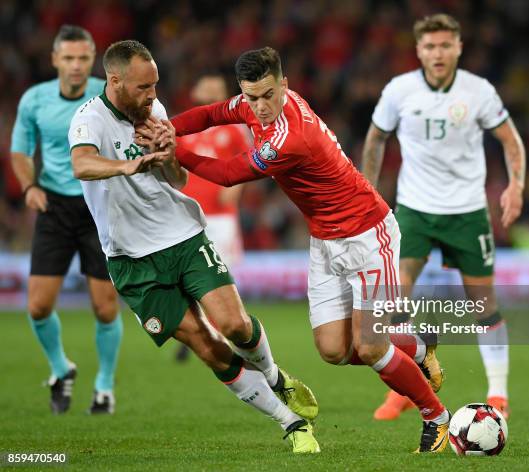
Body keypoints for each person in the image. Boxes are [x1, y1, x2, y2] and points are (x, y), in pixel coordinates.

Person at [140, 46, 452, 454]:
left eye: (268, 95)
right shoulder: (252, 103)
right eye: (251, 97)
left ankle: (437, 418)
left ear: (284, 85)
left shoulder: (292, 136)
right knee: (334, 350)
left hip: (367, 234)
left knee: (372, 346)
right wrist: (169, 128)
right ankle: (417, 345)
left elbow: (230, 174)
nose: (260, 106)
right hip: (325, 240)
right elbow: (212, 114)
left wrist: (172, 148)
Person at [68, 40, 320, 454]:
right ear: (115, 81)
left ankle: (275, 376)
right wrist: (129, 165)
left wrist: (166, 155)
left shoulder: (155, 112)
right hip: (132, 260)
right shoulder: (88, 120)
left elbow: (178, 181)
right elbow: (82, 164)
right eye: (143, 88)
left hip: (182, 235)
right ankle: (290, 422)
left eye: (155, 86)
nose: (152, 96)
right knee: (208, 346)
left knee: (235, 325)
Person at [361, 13, 526, 420]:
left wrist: (516, 185)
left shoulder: (478, 91)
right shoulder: (400, 90)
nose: (438, 53)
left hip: (467, 212)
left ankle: (499, 394)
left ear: (458, 48)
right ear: (419, 50)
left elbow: (511, 141)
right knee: (395, 300)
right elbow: (375, 138)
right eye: (430, 46)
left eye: (445, 45)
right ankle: (408, 384)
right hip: (416, 210)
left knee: (483, 305)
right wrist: (366, 191)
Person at [10, 25, 122, 415]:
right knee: (38, 306)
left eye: (83, 58)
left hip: (98, 206)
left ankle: (104, 386)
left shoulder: (107, 95)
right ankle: (62, 368)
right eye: (68, 58)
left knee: (105, 308)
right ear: (55, 59)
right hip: (53, 206)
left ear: (92, 60)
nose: (76, 66)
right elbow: (21, 152)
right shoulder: (34, 99)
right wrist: (29, 186)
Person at [175, 73, 251, 362]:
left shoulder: (233, 128)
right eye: (206, 85)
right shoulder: (185, 126)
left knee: (221, 274)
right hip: (189, 212)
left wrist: (237, 189)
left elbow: (250, 157)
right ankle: (203, 328)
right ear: (195, 90)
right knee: (190, 275)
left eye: (216, 87)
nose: (211, 90)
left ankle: (224, 331)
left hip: (220, 215)